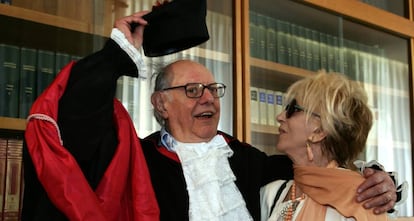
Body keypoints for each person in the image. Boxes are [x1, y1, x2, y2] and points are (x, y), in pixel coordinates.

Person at [22, 11, 399, 221]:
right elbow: (75, 119)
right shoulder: (139, 163)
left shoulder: (250, 162)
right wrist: (115, 57)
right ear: (160, 105)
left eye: (213, 89)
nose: (208, 98)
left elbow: (324, 171)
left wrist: (383, 180)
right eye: (191, 90)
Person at [260, 72, 390, 221]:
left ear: (320, 131)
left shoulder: (364, 199)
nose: (280, 117)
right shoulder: (271, 194)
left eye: (292, 109)